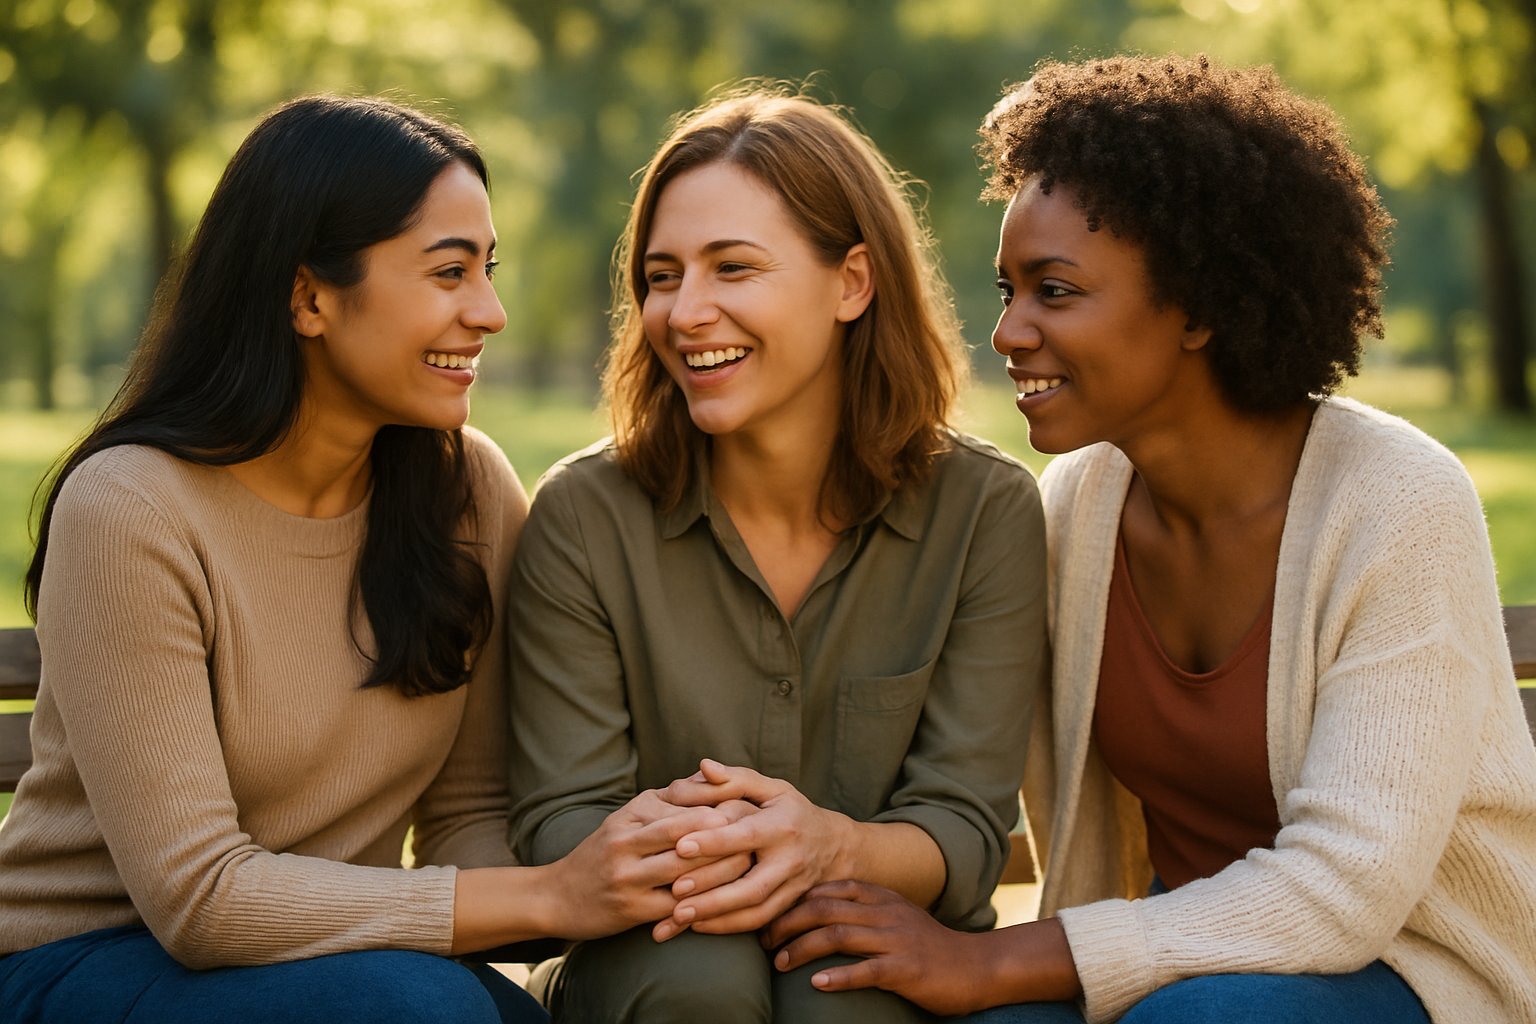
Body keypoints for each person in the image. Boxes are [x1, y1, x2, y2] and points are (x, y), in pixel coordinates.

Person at [765, 55, 1536, 1023]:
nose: (1007, 332)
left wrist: (998, 960)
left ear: (1202, 306)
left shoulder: (1396, 502)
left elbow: (1345, 891)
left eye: (1054, 290)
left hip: (1412, 965)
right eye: (1007, 290)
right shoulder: (1074, 506)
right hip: (1178, 946)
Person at [0, 95, 738, 1024]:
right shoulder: (133, 509)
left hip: (338, 968)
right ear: (308, 296)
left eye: (489, 270)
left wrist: (662, 870)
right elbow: (197, 899)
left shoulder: (462, 489)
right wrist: (556, 896)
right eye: (449, 272)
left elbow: (467, 815)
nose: (491, 312)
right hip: (86, 961)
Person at [505, 87, 1048, 1023]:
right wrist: (744, 860)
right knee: (696, 983)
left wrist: (833, 848)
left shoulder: (984, 513)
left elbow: (960, 827)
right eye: (663, 274)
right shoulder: (583, 515)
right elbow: (562, 816)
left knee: (846, 996)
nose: (685, 312)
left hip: (875, 942)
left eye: (733, 268)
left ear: (852, 282)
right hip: (650, 950)